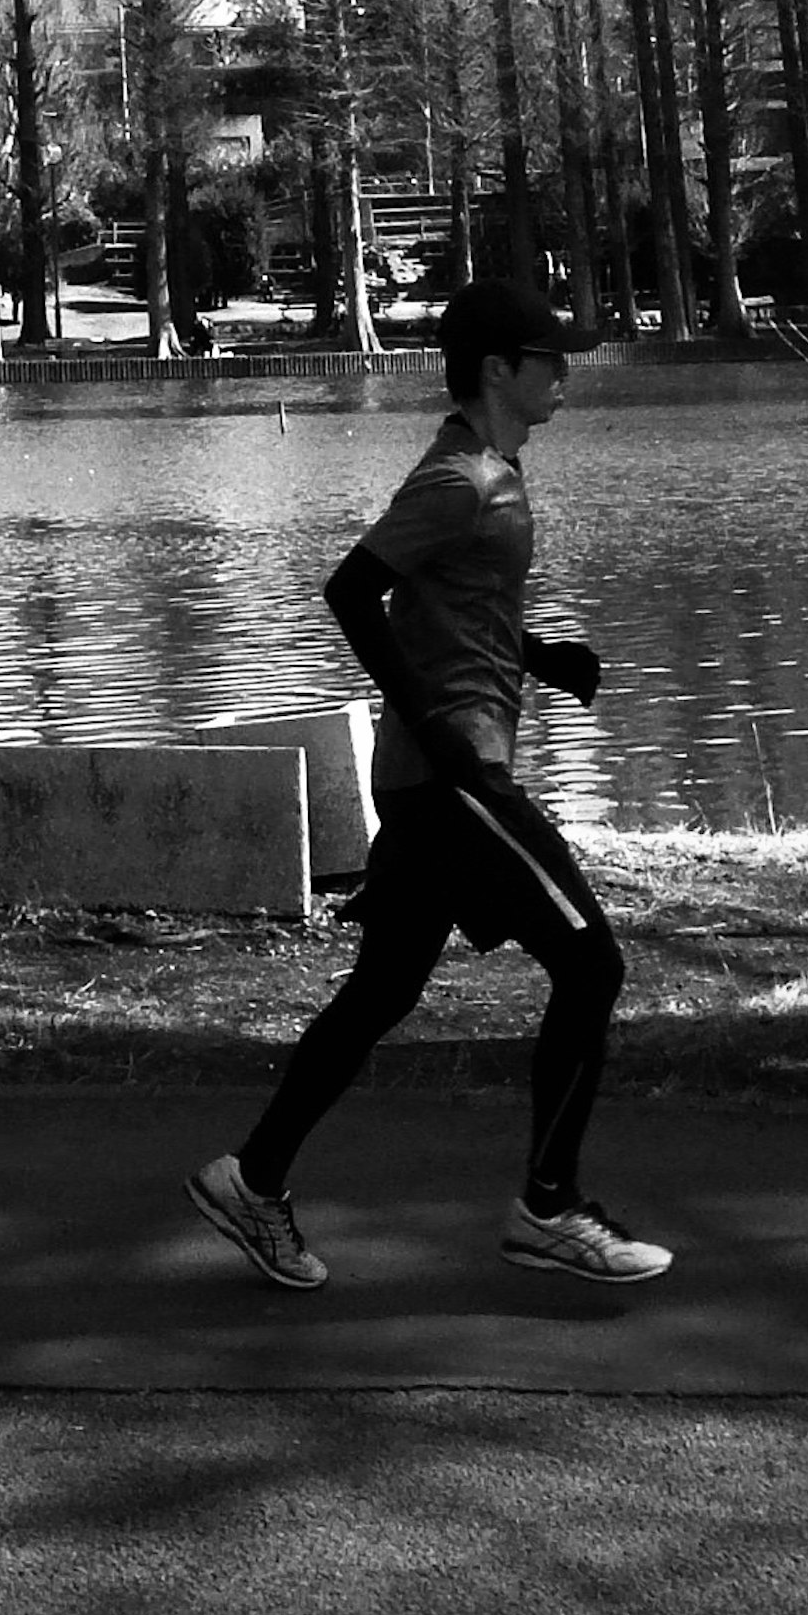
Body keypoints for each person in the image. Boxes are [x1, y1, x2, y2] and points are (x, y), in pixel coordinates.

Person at [187, 273, 671, 1291]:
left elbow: (445, 600)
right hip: (453, 777)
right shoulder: (461, 478)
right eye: (551, 360)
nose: (566, 377)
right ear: (499, 369)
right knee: (592, 967)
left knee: (382, 989)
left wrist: (538, 656)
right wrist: (439, 731)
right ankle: (549, 1206)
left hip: (431, 777)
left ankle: (253, 1178)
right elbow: (354, 589)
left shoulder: (490, 469)